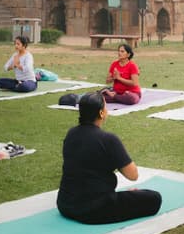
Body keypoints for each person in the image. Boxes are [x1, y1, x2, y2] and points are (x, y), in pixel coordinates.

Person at [57, 92, 162, 224]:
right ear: (101, 113)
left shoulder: (71, 133)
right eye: (106, 107)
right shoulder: (108, 139)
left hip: (65, 205)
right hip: (95, 209)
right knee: (154, 198)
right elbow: (133, 175)